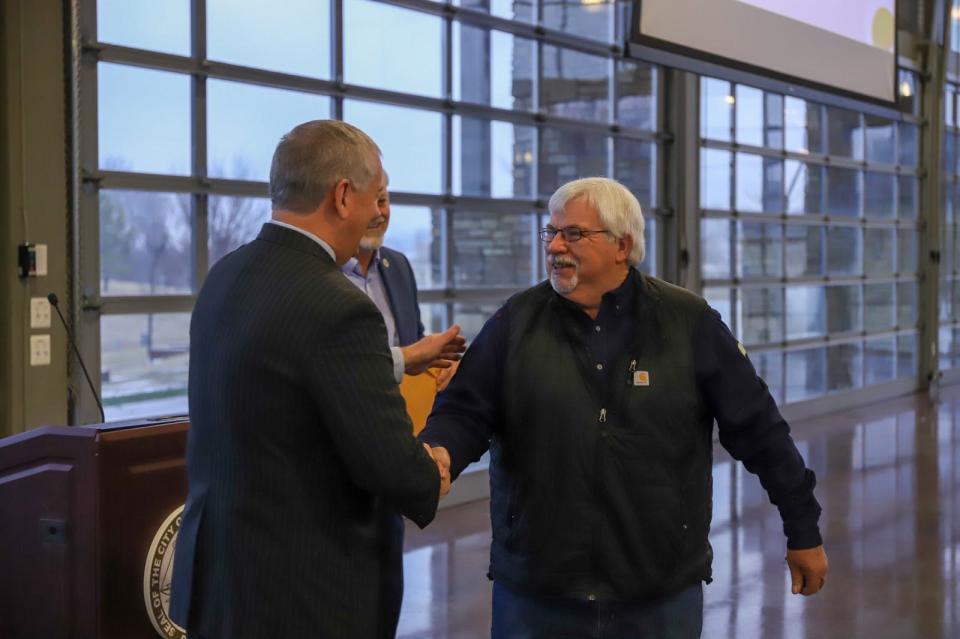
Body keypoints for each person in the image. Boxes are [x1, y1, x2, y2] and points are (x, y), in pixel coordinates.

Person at [420, 177, 828, 638]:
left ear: (622, 245)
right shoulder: (514, 322)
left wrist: (802, 527)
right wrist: (440, 453)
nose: (555, 246)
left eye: (573, 234)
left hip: (657, 592)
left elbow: (760, 431)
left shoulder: (688, 323)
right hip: (537, 590)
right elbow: (465, 411)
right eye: (550, 232)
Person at [170, 120, 460, 639]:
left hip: (220, 581)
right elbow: (394, 469)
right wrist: (434, 465)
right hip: (303, 598)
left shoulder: (226, 275)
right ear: (343, 195)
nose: (378, 213)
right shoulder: (340, 307)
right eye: (375, 198)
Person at [340, 169, 464, 635]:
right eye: (375, 199)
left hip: (394, 446)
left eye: (387, 200)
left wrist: (436, 370)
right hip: (343, 458)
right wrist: (410, 357)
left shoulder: (398, 267)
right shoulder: (319, 280)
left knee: (385, 589)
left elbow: (410, 352)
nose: (381, 211)